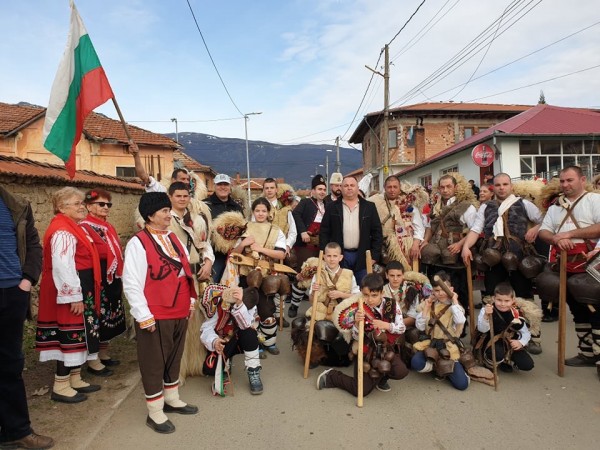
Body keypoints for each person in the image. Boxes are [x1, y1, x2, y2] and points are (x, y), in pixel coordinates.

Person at [122, 192, 198, 434]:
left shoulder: (173, 238)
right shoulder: (138, 242)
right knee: (154, 361)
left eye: (168, 210)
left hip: (179, 308)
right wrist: (143, 315)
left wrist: (191, 298)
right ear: (150, 215)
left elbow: (186, 270)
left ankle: (172, 398)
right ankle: (154, 411)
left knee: (174, 356)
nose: (169, 215)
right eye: (164, 211)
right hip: (155, 312)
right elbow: (131, 281)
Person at [461, 173, 543, 354]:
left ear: (511, 186)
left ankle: (531, 337)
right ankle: (490, 332)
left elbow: (544, 220)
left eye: (505, 184)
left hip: (519, 257)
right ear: (493, 188)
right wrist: (466, 247)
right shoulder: (485, 207)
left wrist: (536, 228)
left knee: (523, 296)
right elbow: (476, 229)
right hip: (493, 258)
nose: (501, 188)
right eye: (497, 185)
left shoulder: (524, 204)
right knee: (491, 295)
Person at [35, 187, 103, 403]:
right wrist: (73, 296)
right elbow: (63, 266)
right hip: (68, 290)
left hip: (81, 287)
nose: (82, 206)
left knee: (81, 333)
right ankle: (61, 385)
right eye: (76, 203)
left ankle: (75, 378)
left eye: (82, 202)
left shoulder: (73, 226)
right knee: (69, 334)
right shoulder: (62, 230)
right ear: (61, 207)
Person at [0, 185, 54, 450]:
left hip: (11, 293)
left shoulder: (17, 204)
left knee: (10, 365)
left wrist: (27, 281)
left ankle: (16, 431)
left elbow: (34, 245)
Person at [537, 166, 600, 377]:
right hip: (564, 264)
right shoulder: (556, 207)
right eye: (562, 181)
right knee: (576, 307)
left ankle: (599, 354)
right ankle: (586, 352)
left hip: (591, 263)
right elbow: (545, 230)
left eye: (570, 180)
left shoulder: (594, 200)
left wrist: (569, 233)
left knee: (596, 307)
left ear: (582, 179)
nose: (565, 185)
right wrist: (555, 238)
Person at [316, 274, 409, 396]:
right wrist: (356, 323)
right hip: (366, 351)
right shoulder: (358, 308)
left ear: (381, 293)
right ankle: (331, 376)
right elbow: (354, 337)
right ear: (361, 293)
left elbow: (401, 328)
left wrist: (386, 325)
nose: (370, 299)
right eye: (366, 295)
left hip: (386, 349)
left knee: (401, 372)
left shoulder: (392, 304)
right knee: (360, 391)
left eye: (374, 295)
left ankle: (380, 378)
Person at [167, 182, 214, 382]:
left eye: (185, 195)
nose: (182, 199)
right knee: (178, 325)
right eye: (178, 196)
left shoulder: (197, 220)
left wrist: (209, 262)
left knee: (198, 323)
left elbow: (205, 245)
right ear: (170, 196)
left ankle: (196, 364)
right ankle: (177, 370)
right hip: (174, 278)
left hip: (196, 276)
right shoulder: (164, 220)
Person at [227, 198, 286, 356]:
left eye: (264, 211)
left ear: (269, 212)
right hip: (247, 275)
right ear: (253, 212)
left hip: (267, 275)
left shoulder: (276, 230)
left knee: (267, 309)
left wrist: (261, 249)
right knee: (249, 310)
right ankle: (255, 344)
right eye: (257, 211)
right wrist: (243, 243)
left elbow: (281, 253)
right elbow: (233, 255)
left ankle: (269, 342)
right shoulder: (245, 228)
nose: (260, 214)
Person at [291, 242, 359, 368]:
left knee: (340, 353)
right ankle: (313, 356)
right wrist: (314, 292)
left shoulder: (349, 274)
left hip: (341, 314)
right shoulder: (318, 275)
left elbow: (357, 296)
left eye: (335, 256)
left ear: (341, 257)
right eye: (329, 256)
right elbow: (312, 300)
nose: (332, 259)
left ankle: (338, 353)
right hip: (320, 311)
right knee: (303, 327)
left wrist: (341, 294)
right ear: (324, 257)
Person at [80, 189, 126, 368]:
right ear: (89, 206)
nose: (106, 207)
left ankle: (104, 351)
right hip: (96, 276)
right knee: (98, 314)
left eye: (108, 204)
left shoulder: (108, 226)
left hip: (111, 276)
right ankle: (93, 359)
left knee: (111, 314)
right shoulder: (85, 227)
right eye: (101, 204)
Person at [420, 173, 478, 315]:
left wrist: (460, 245)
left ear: (456, 187)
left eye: (448, 187)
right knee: (436, 288)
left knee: (457, 289)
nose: (445, 190)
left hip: (454, 253)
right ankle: (435, 321)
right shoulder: (435, 206)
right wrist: (426, 240)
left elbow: (474, 229)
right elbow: (430, 227)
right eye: (442, 187)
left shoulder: (466, 206)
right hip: (436, 251)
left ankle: (459, 325)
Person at [200, 285, 264, 395]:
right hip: (224, 340)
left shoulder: (252, 307)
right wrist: (214, 341)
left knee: (249, 333)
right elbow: (206, 328)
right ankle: (227, 361)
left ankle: (254, 371)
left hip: (243, 339)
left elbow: (245, 325)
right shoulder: (221, 305)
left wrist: (240, 306)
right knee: (209, 369)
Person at [411, 271, 470, 391]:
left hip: (449, 347)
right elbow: (421, 327)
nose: (441, 293)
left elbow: (460, 321)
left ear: (451, 289)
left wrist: (454, 300)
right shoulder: (428, 304)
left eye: (444, 289)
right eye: (437, 291)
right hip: (431, 344)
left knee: (462, 384)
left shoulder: (456, 308)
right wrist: (427, 307)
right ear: (433, 291)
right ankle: (437, 368)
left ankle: (448, 369)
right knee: (416, 363)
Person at [319, 175, 383, 284]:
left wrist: (374, 256)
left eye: (352, 185)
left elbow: (377, 232)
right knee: (340, 288)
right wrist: (326, 255)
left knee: (363, 289)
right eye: (346, 185)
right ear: (342, 188)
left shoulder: (369, 207)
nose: (349, 188)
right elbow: (324, 232)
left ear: (357, 188)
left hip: (363, 255)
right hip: (340, 256)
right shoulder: (332, 207)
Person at [368, 175, 428, 271]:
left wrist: (416, 244)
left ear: (399, 188)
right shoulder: (375, 202)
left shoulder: (409, 205)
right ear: (385, 188)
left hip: (407, 246)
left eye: (395, 187)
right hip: (383, 245)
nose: (392, 190)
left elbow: (419, 228)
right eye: (389, 187)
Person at [289, 175, 328, 316]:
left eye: (324, 189)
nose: (322, 192)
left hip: (321, 246)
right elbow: (295, 215)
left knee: (321, 276)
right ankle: (294, 305)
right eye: (319, 189)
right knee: (305, 274)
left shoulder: (328, 204)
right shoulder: (306, 203)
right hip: (305, 245)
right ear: (313, 190)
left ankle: (319, 307)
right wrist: (303, 231)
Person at [476, 282, 534, 373]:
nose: (503, 304)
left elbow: (526, 333)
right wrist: (486, 316)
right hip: (491, 341)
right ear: (494, 298)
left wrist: (521, 342)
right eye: (499, 300)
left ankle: (507, 360)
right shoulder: (486, 310)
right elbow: (482, 329)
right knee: (497, 354)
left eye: (507, 301)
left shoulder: (516, 313)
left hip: (510, 342)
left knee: (527, 365)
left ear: (513, 300)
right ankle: (489, 362)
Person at [262, 178, 297, 327]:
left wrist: (287, 246)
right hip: (264, 252)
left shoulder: (285, 209)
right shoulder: (260, 207)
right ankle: (267, 316)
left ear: (277, 190)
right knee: (265, 284)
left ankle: (279, 315)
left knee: (281, 285)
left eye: (272, 188)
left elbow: (293, 231)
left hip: (280, 252)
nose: (269, 190)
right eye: (267, 188)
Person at [204, 174, 244, 281]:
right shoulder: (205, 205)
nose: (223, 187)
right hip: (213, 254)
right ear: (214, 186)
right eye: (220, 184)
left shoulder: (237, 207)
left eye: (225, 184)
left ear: (230, 186)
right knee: (212, 283)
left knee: (232, 286)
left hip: (234, 254)